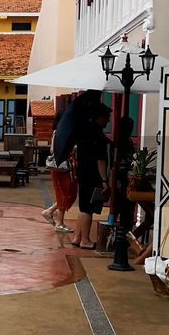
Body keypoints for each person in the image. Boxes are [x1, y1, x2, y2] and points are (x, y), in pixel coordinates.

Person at [72, 104, 112, 250]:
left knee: (83, 205)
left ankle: (77, 237)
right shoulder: (97, 135)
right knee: (87, 208)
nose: (108, 121)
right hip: (92, 174)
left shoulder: (84, 130)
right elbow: (100, 160)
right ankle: (85, 239)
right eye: (106, 117)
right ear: (99, 117)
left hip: (83, 172)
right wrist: (104, 181)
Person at [41, 107, 76, 234]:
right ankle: (59, 222)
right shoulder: (59, 132)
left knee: (70, 194)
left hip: (66, 167)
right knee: (65, 194)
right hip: (61, 167)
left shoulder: (65, 132)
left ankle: (49, 211)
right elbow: (52, 150)